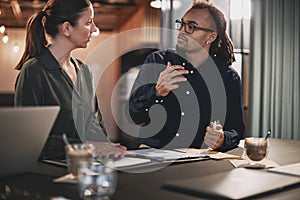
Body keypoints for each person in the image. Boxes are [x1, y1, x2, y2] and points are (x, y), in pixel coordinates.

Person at [14, 0, 126, 161]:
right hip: (49, 175)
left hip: (87, 168)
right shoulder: (33, 71)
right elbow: (28, 141)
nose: (94, 29)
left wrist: (106, 145)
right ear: (67, 28)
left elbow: (94, 125)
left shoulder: (84, 71)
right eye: (88, 23)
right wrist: (88, 146)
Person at [129, 1, 244, 151]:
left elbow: (236, 130)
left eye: (191, 27)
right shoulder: (157, 61)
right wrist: (156, 92)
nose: (182, 31)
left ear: (210, 37)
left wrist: (222, 139)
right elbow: (134, 115)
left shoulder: (228, 77)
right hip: (156, 154)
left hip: (201, 159)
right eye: (181, 24)